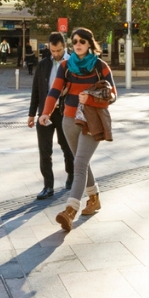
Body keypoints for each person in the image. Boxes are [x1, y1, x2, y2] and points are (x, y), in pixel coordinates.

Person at [39, 28, 116, 233]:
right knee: (80, 161)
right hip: (68, 121)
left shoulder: (100, 66)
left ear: (89, 43)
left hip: (92, 121)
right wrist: (46, 112)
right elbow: (54, 91)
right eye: (75, 41)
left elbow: (113, 95)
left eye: (82, 40)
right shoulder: (65, 66)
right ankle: (94, 198)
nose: (78, 44)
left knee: (79, 164)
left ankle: (70, 210)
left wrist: (89, 98)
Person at [28, 33, 75, 200]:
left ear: (65, 46)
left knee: (67, 148)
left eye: (59, 50)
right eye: (53, 50)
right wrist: (32, 113)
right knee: (44, 151)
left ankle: (71, 175)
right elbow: (36, 90)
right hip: (45, 113)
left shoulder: (73, 64)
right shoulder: (43, 65)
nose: (56, 54)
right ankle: (48, 186)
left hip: (65, 112)